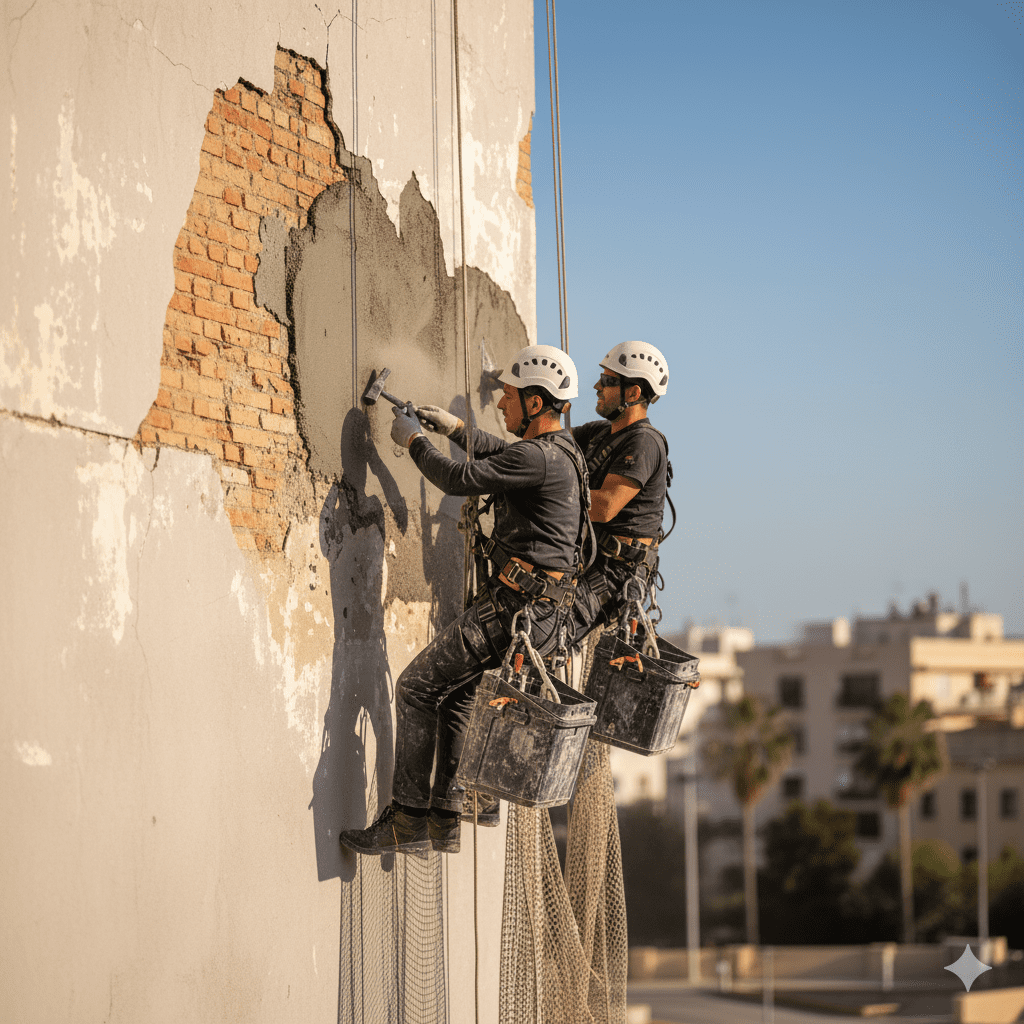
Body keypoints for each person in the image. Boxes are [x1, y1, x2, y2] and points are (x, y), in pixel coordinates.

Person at [338, 344, 589, 857]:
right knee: (454, 698)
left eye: (511, 396)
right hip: (536, 611)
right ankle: (446, 818)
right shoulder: (561, 454)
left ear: (537, 404)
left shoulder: (539, 458)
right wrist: (454, 429)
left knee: (414, 688)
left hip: (514, 611)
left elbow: (458, 478)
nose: (502, 404)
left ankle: (407, 821)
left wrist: (412, 441)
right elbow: (504, 455)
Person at [568, 340, 671, 647]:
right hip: (591, 560)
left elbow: (604, 507)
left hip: (616, 574)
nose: (597, 386)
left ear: (634, 393)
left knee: (549, 634)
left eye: (608, 381)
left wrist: (550, 495)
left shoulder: (644, 443)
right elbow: (544, 449)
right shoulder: (597, 433)